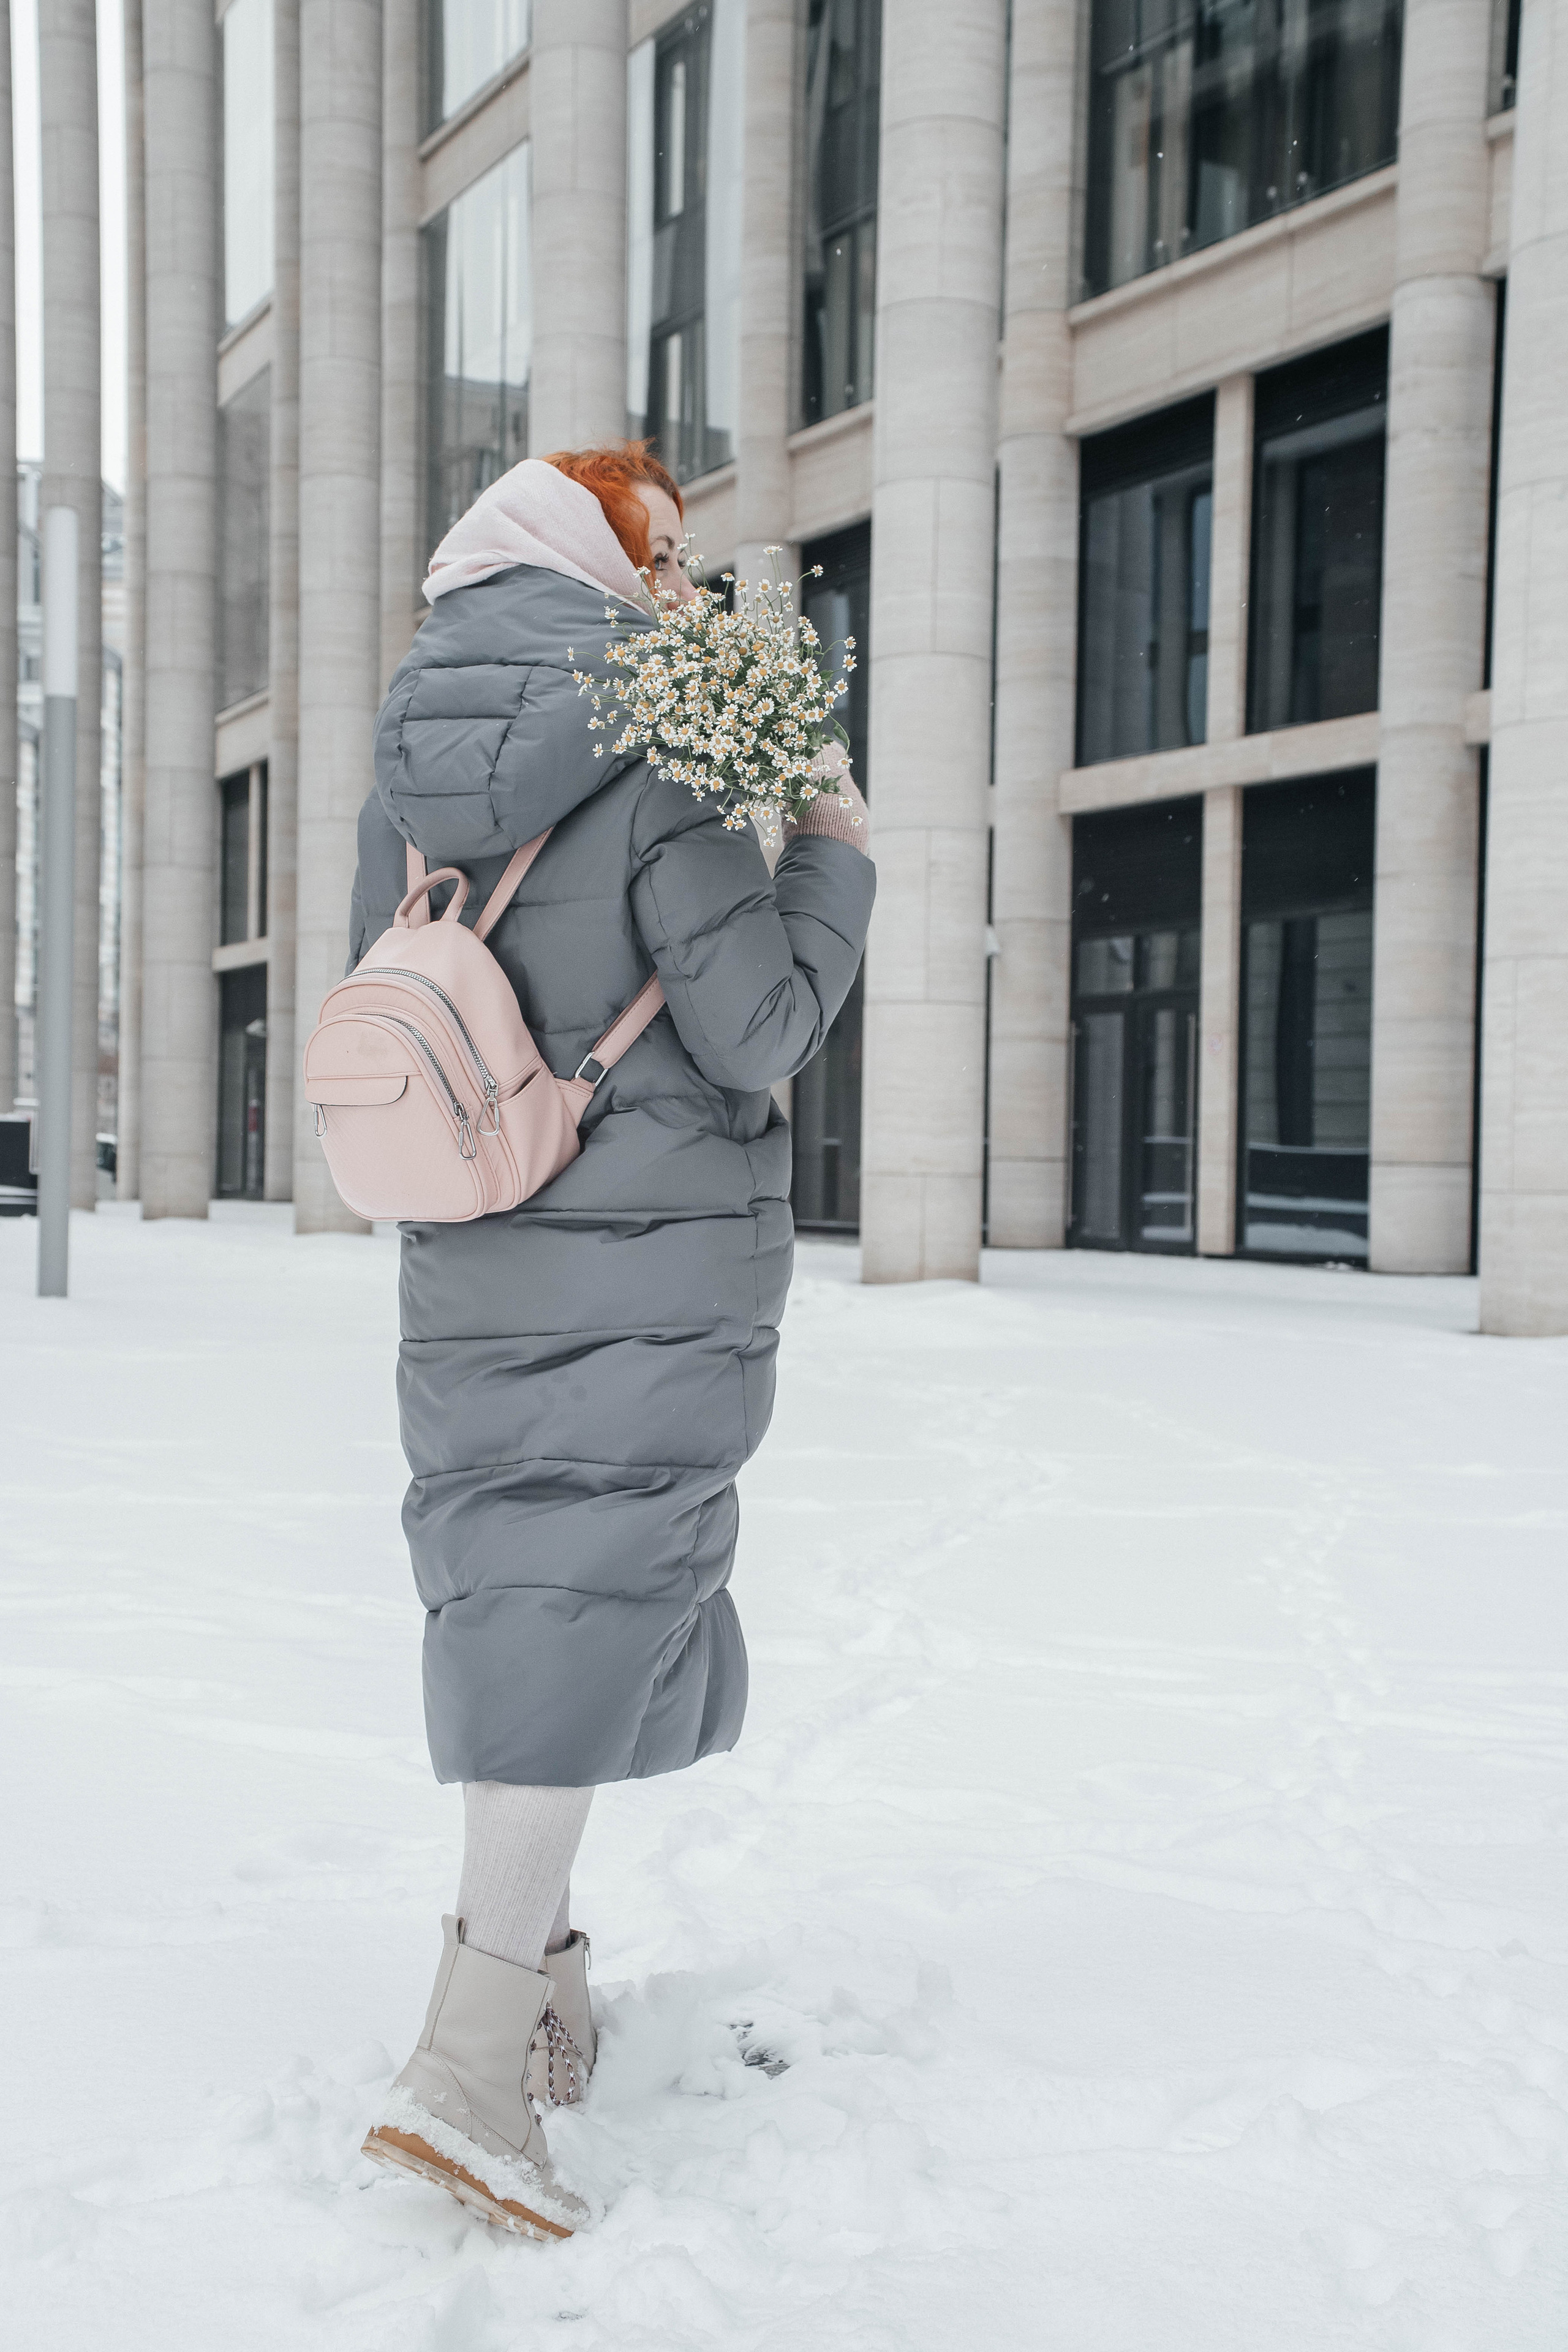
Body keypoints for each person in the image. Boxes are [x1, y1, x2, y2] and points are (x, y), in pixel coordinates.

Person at [349, 445, 875, 2238]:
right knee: (584, 1618)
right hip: (639, 1259)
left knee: (532, 1598)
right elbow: (759, 1025)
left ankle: (542, 1997)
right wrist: (829, 847)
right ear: (604, 560)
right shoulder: (656, 756)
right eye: (666, 556)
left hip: (479, 1247)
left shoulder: (409, 770)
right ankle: (467, 2069)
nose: (682, 588)